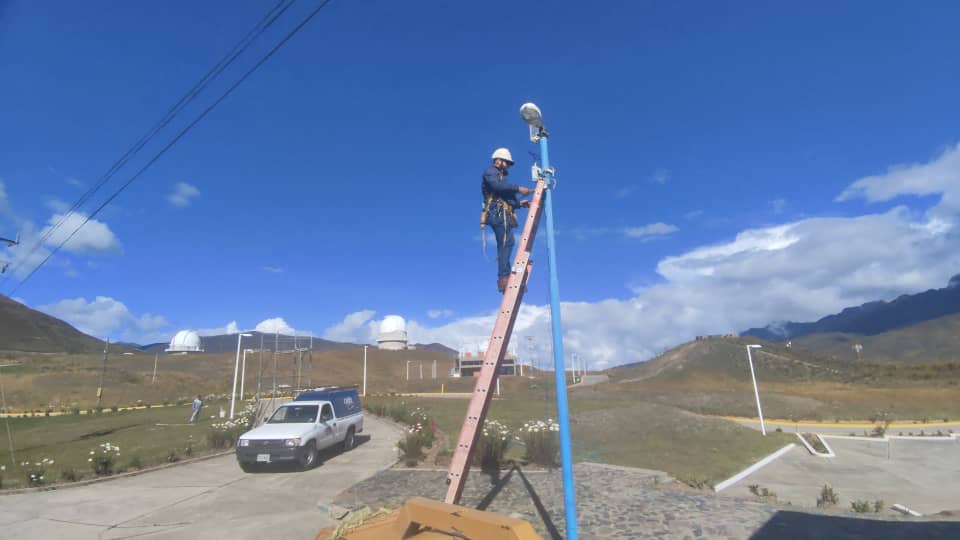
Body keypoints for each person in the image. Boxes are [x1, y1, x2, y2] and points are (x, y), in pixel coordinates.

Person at [481, 148, 531, 293]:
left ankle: (506, 276)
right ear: (499, 160)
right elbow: (498, 186)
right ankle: (504, 277)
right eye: (507, 163)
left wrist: (519, 204)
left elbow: (506, 197)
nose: (508, 166)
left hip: (500, 212)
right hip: (496, 213)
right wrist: (518, 188)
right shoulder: (491, 172)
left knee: (507, 243)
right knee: (506, 243)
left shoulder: (500, 177)